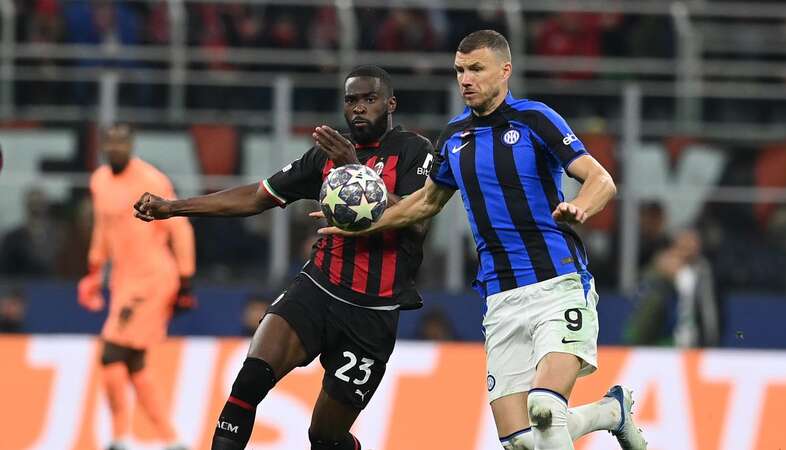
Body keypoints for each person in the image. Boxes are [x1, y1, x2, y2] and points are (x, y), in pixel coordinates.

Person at [318, 31, 648, 450]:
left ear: (504, 71)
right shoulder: (455, 135)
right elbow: (425, 203)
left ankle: (607, 412)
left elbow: (600, 178)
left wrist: (581, 205)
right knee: (521, 442)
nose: (465, 79)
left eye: (476, 69)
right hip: (500, 298)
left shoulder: (535, 119)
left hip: (557, 284)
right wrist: (363, 224)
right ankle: (611, 412)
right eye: (459, 70)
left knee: (545, 409)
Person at [133, 65, 434, 450]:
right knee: (249, 382)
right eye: (351, 100)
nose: (359, 108)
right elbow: (257, 196)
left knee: (325, 437)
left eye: (369, 99)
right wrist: (174, 207)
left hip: (372, 314)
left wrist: (354, 168)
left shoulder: (415, 151)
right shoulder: (325, 155)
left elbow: (418, 220)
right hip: (317, 289)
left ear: (390, 104)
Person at [78, 124, 196, 450]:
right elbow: (103, 228)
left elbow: (180, 229)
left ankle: (119, 437)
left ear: (131, 145)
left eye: (121, 143)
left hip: (153, 280)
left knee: (110, 353)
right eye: (110, 142)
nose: (115, 148)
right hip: (123, 282)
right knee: (135, 364)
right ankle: (172, 440)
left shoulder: (151, 181)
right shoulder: (99, 180)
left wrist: (186, 282)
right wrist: (93, 270)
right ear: (102, 145)